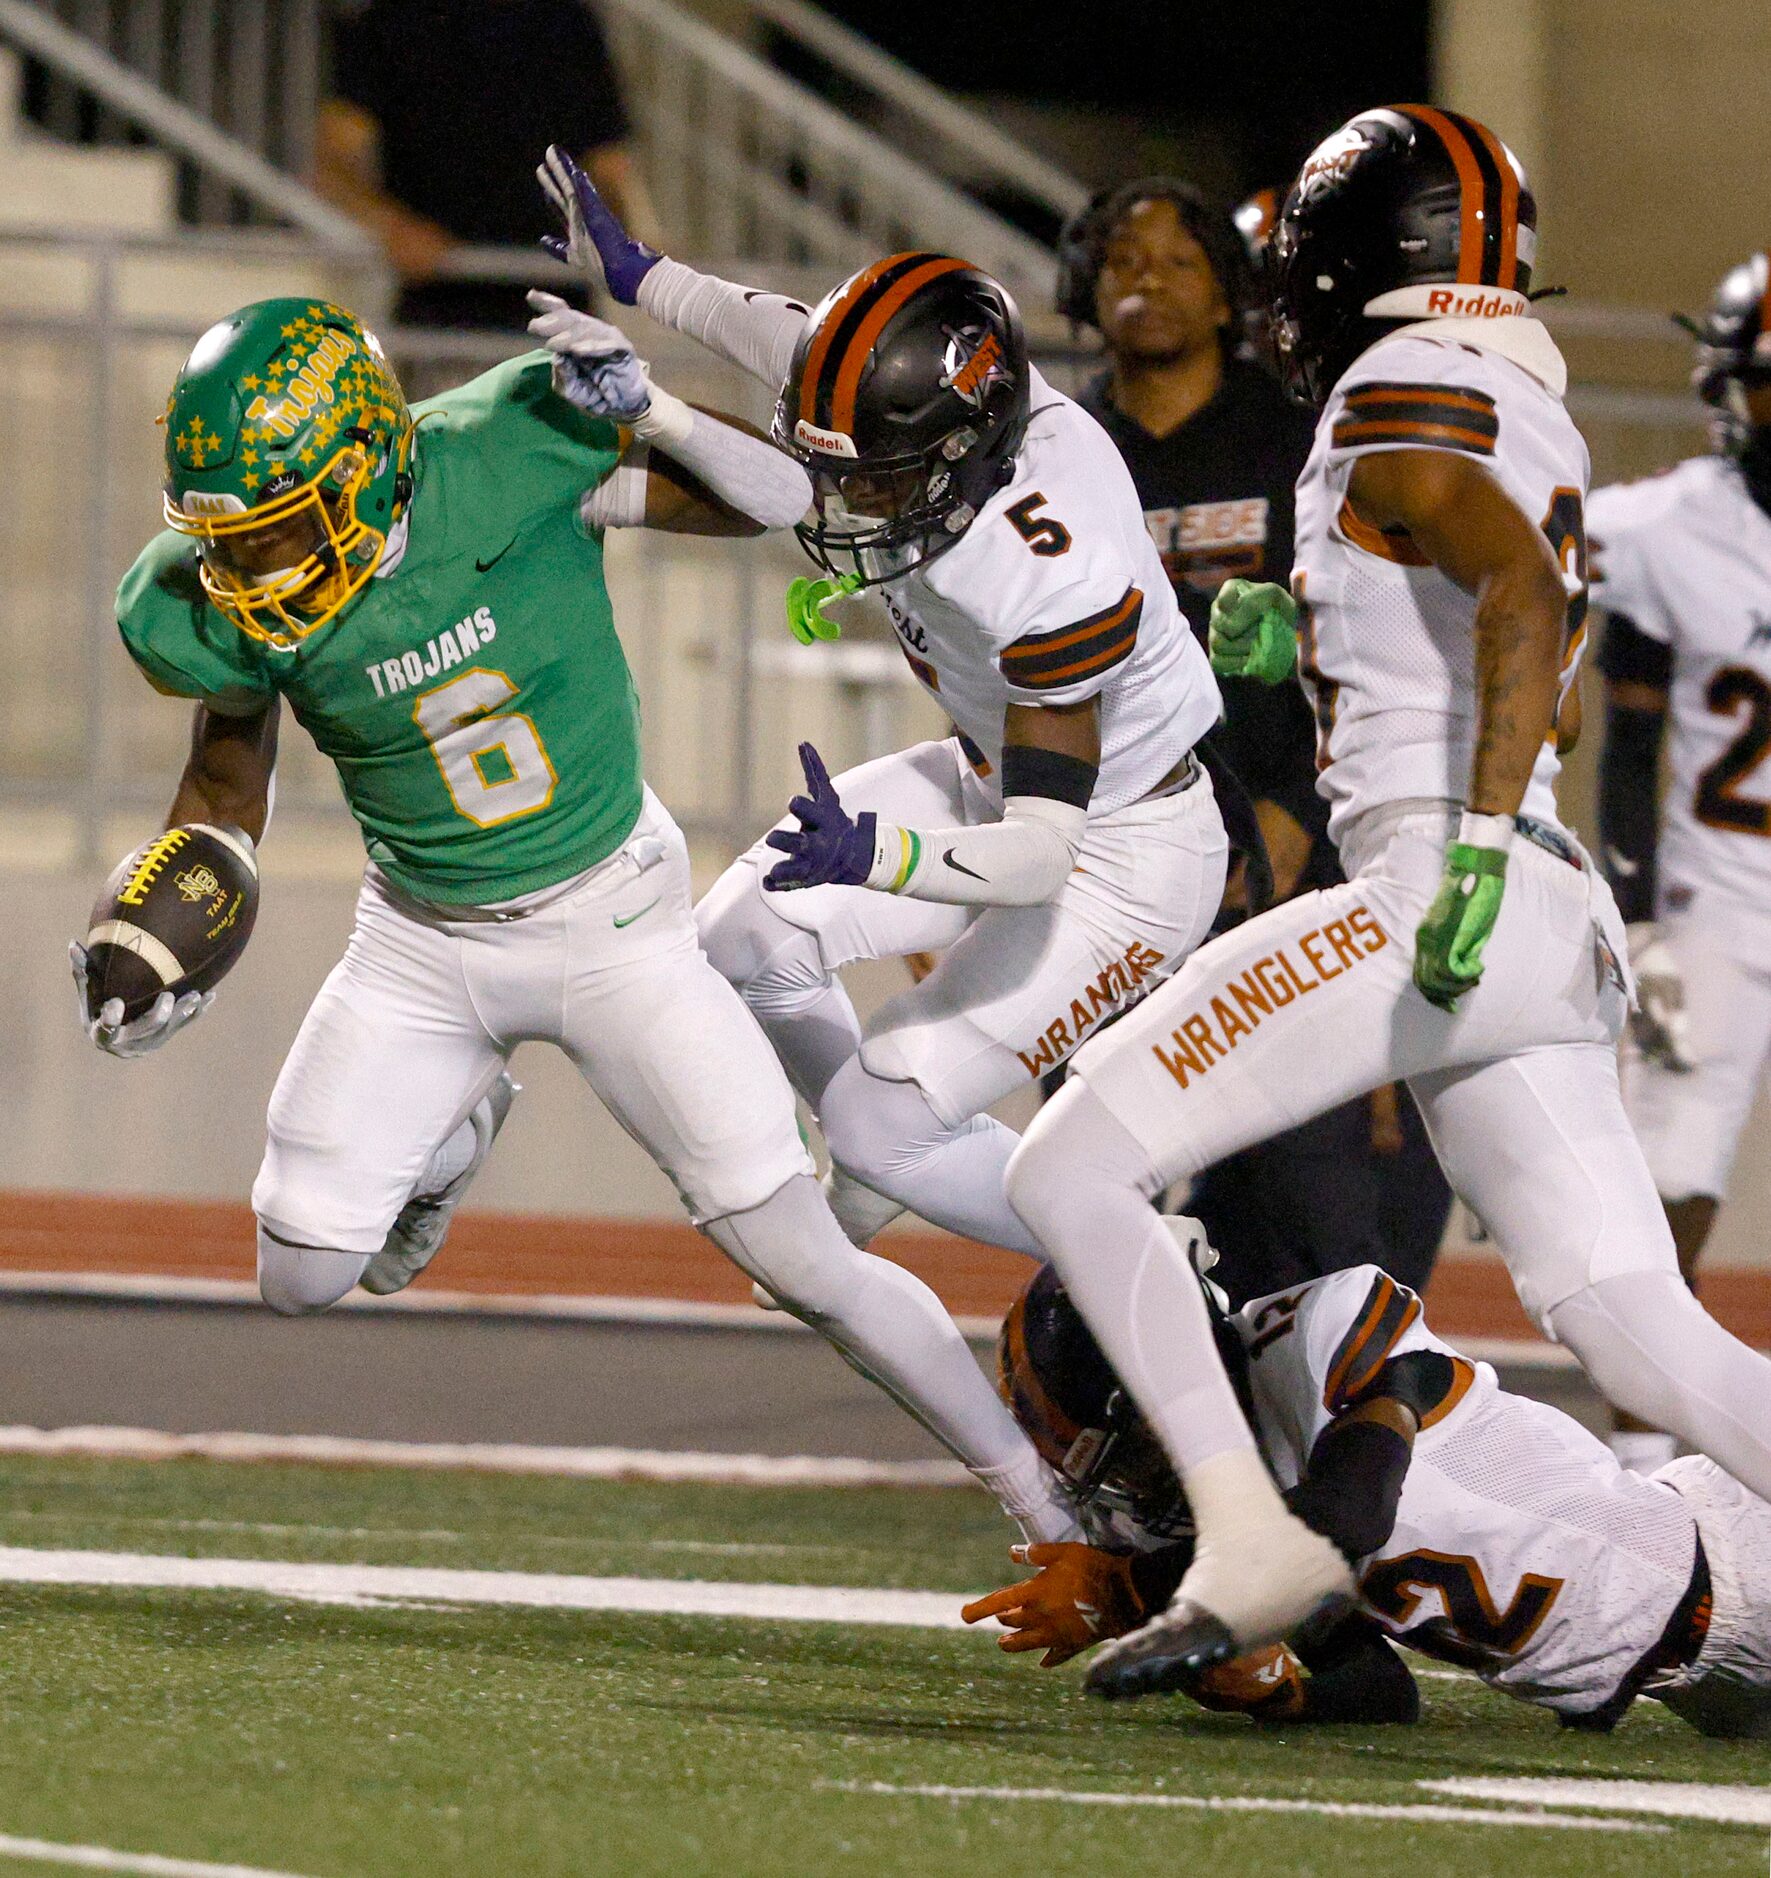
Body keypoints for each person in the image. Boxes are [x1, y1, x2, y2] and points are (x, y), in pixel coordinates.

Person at [74, 277, 1078, 1548]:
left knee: (803, 1263)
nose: (246, 566)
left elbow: (784, 501)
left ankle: (1035, 1497)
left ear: (369, 464)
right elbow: (226, 784)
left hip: (618, 923)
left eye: (276, 527)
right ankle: (455, 1134)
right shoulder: (209, 600)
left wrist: (655, 416)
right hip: (421, 939)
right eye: (228, 537)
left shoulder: (510, 448)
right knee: (303, 1275)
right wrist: (175, 942)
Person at [1000, 105, 1771, 1697]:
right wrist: (1339, 657)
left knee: (1071, 1158)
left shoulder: (1397, 381)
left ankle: (1245, 1533)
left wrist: (1464, 837)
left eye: (1305, 253)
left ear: (1378, 253)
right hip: (1536, 907)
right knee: (1634, 1328)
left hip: (1450, 885)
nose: (1285, 283)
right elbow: (1531, 664)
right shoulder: (1512, 391)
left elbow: (1517, 586)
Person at [529, 148, 1245, 1273]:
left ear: (969, 447)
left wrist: (878, 852)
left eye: (878, 477)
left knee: (880, 1116)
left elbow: (1040, 862)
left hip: (1121, 850)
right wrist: (636, 273)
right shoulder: (910, 403)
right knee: (741, 937)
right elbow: (764, 334)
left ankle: (1160, 1257)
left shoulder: (1053, 564)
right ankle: (878, 1155)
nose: (848, 498)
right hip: (989, 776)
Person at [1054, 174, 1450, 1301]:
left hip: (1283, 845)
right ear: (1089, 285)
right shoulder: (1059, 445)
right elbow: (1006, 651)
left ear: (1228, 296)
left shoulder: (1295, 441)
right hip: (1103, 853)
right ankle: (1132, 1446)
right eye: (1126, 264)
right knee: (1092, 1183)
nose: (1148, 286)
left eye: (1179, 264)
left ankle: (1336, 1426)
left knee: (1295, 1186)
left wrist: (1290, 811)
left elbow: (1353, 644)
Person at [968, 1252, 1769, 1740]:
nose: (1121, 1481)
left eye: (1119, 1444)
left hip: (1736, 1556)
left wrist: (1129, 1592)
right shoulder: (1226, 1518)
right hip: (1688, 1678)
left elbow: (1347, 1519)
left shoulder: (1317, 1332)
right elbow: (1380, 1694)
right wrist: (1278, 1696)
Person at [1591, 252, 1771, 1473]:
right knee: (1668, 1179)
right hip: (1721, 896)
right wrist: (1639, 915)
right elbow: (1629, 739)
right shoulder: (1656, 529)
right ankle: (1649, 1477)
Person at [315, 0, 656, 330]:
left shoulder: (569, 24)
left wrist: (627, 240)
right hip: (443, 306)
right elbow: (333, 162)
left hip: (559, 304)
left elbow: (606, 165)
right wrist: (394, 228)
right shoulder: (392, 21)